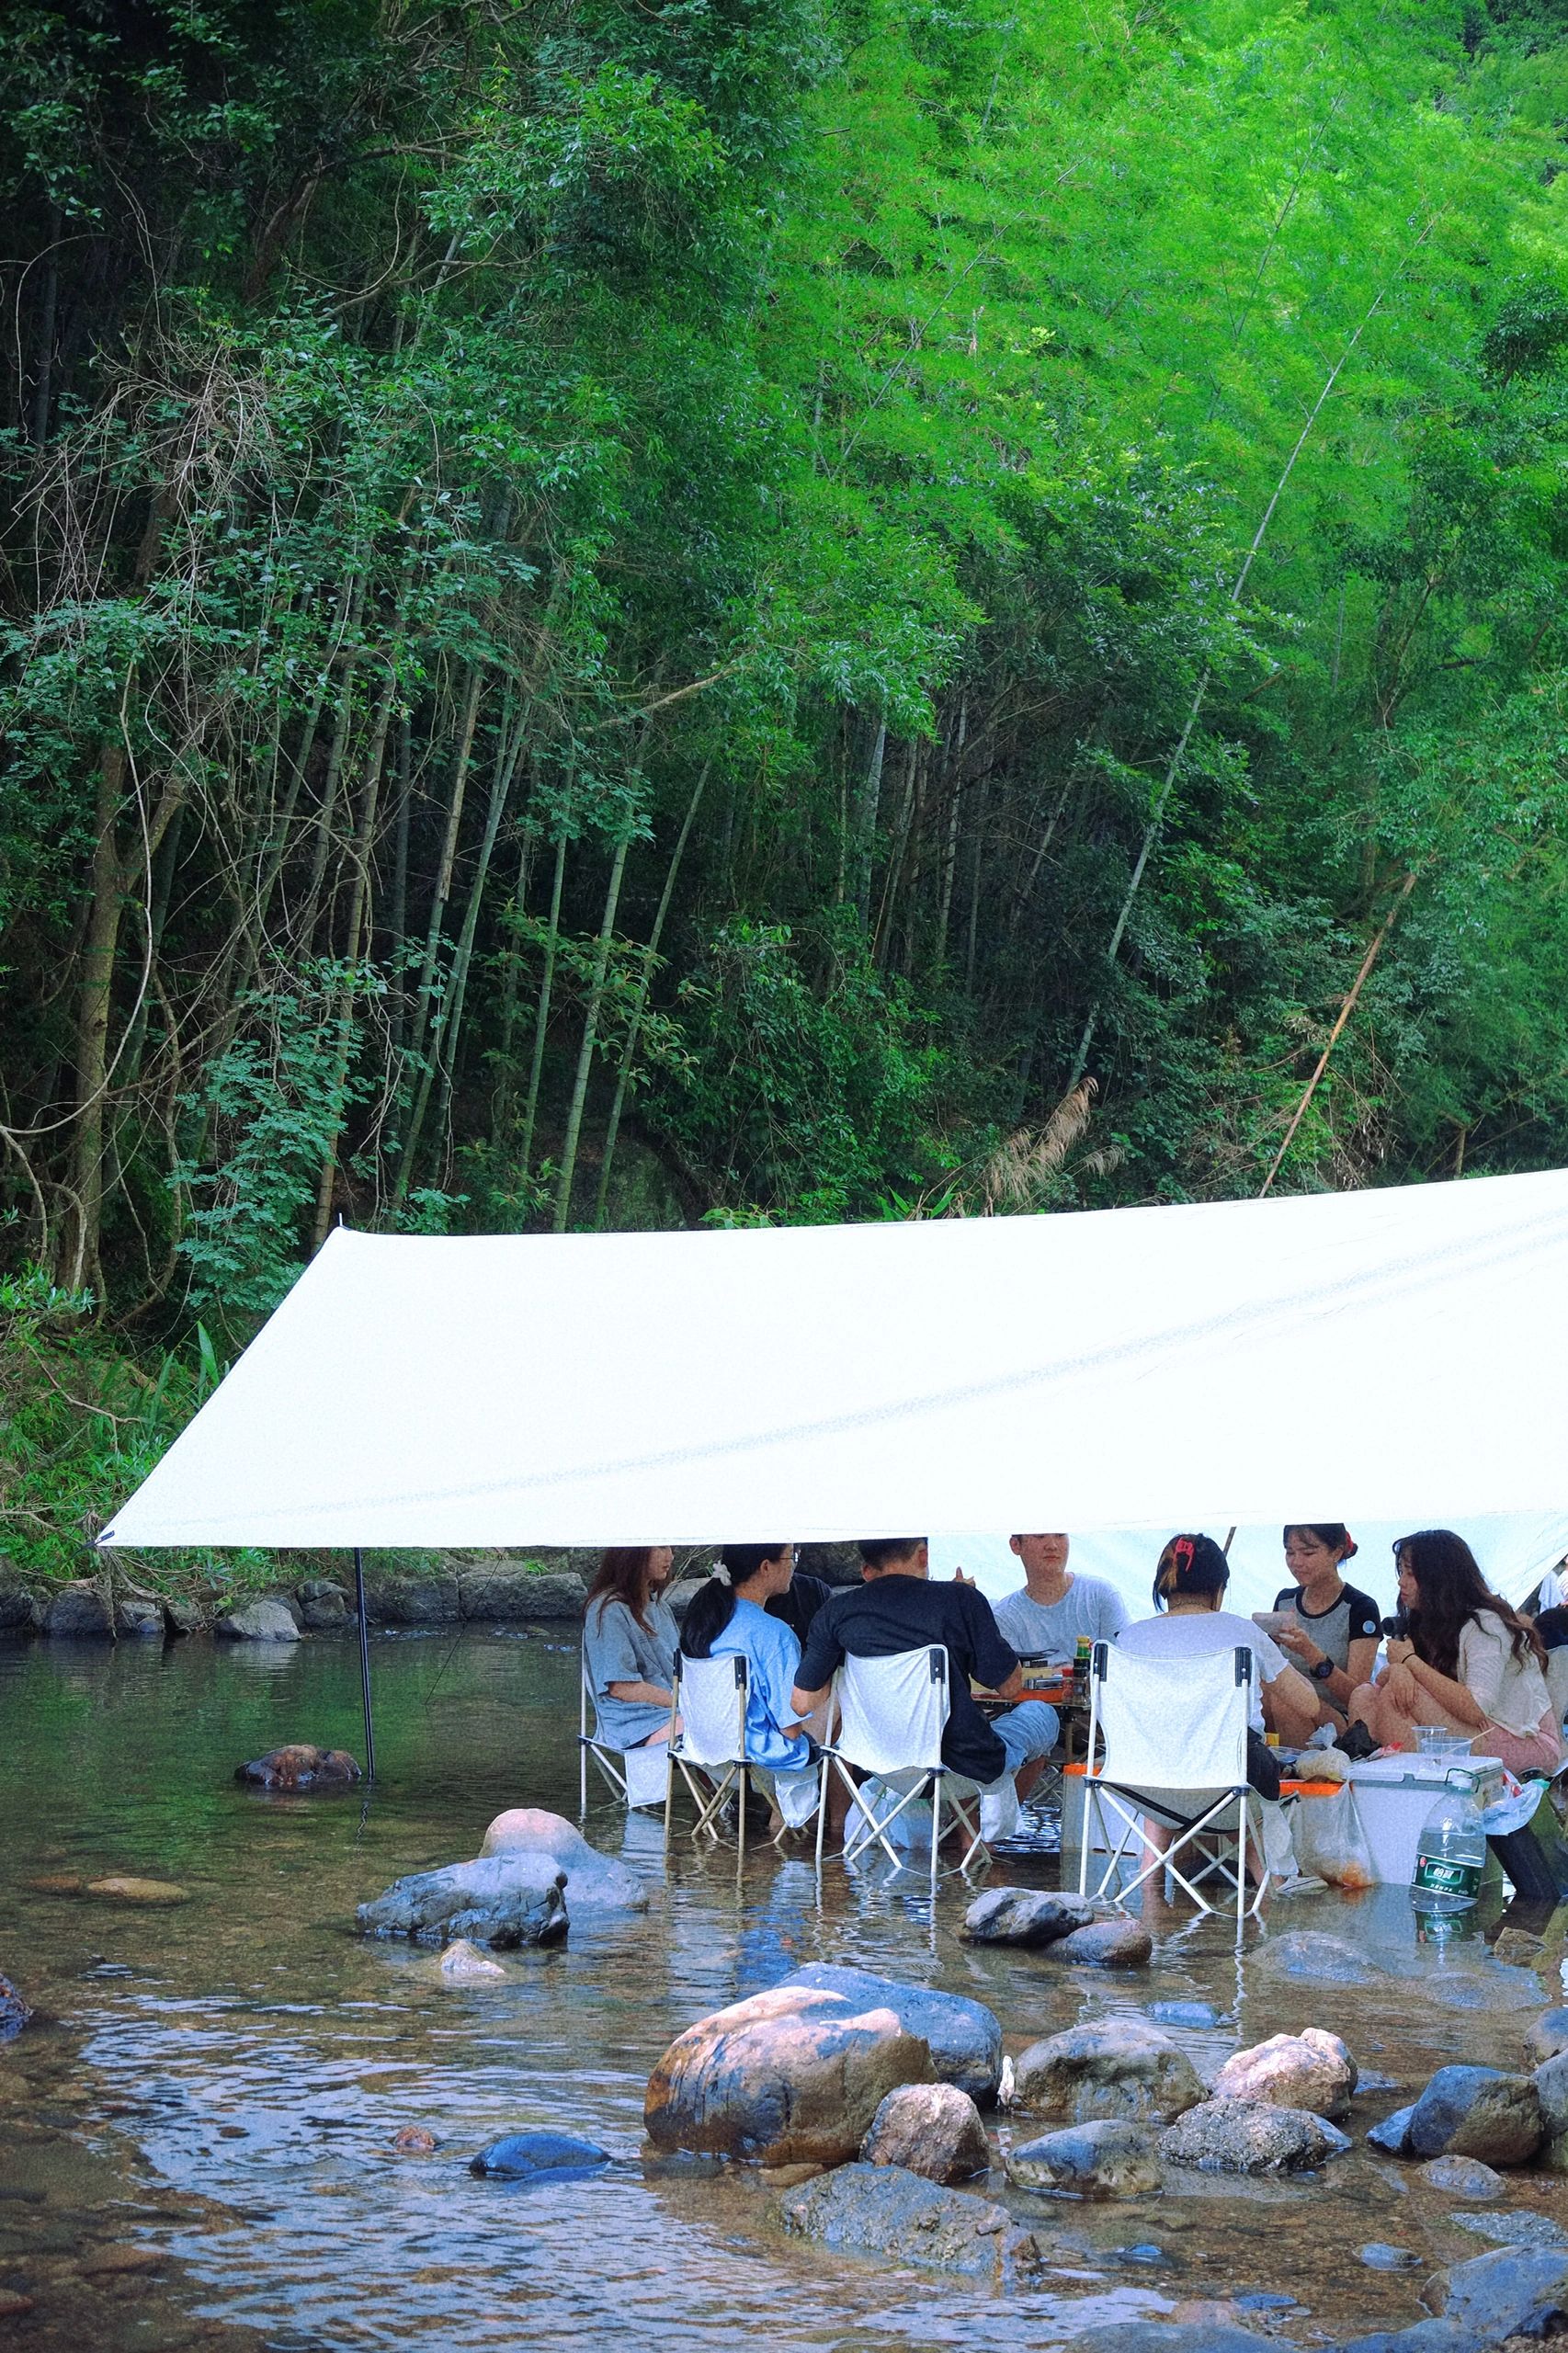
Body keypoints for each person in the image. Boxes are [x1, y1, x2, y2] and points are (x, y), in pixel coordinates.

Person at [789, 1537, 1058, 1824]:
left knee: (966, 1727)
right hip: (960, 1767)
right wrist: (973, 1620)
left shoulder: (835, 1612)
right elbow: (1010, 1687)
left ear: (867, 1566)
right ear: (923, 1554)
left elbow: (802, 1703)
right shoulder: (960, 1600)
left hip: (879, 1766)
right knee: (1040, 1714)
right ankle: (983, 1834)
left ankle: (972, 1831)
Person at [1348, 1529, 1563, 1779]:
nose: (1401, 1582)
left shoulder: (1486, 1624)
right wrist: (1399, 1669)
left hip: (1524, 1740)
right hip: (1474, 1731)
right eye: (1401, 1571)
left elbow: (1475, 1708)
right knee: (1364, 1695)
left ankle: (1411, 1790)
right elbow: (1389, 1676)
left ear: (1439, 1578)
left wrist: (1409, 1663)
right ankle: (1379, 1783)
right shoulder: (1425, 1620)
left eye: (1411, 1573)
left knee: (1396, 1698)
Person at [1116, 1531, 1320, 1776]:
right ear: (1219, 1588)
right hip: (1234, 1778)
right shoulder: (1244, 1633)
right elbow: (1309, 1705)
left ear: (1163, 1586)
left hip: (1143, 1778)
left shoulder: (1130, 1638)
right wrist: (1275, 1653)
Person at [680, 1544, 817, 1771]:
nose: (793, 1564)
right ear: (766, 1567)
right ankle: (828, 1807)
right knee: (834, 1707)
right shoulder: (774, 1634)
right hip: (764, 1757)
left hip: (704, 1752)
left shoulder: (701, 1621)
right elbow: (790, 1730)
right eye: (790, 1555)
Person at [1270, 1524, 1382, 1729]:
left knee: (1286, 1697)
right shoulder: (1285, 1601)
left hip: (1336, 1719)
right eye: (1290, 1552)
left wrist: (1311, 1654)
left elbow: (1357, 1697)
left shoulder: (1360, 1607)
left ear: (1336, 1553)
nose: (1296, 1562)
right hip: (1286, 1708)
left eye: (1308, 1553)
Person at [582, 1545, 680, 1750]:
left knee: (736, 1725)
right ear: (635, 1552)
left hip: (673, 1710)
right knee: (715, 1733)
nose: (670, 1556)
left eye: (670, 1547)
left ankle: (727, 1783)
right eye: (661, 1547)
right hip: (631, 1722)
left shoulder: (661, 1608)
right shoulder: (608, 1609)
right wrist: (684, 1703)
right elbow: (621, 1687)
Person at [993, 1532, 1128, 1659]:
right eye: (1040, 1536)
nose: (1052, 1546)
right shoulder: (1004, 1616)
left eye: (1060, 1535)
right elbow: (1012, 1679)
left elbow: (1123, 1662)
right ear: (1015, 1545)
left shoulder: (1101, 1595)